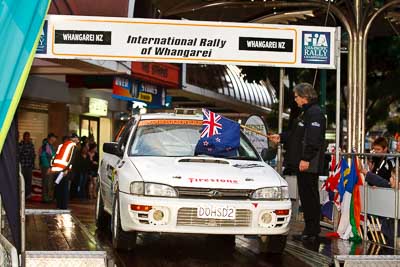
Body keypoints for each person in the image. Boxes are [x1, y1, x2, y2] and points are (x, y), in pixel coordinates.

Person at [269, 82, 326, 241]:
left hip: (308, 163)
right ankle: (310, 229)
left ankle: (313, 230)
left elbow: (314, 139)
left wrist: (306, 158)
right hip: (302, 162)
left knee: (310, 196)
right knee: (306, 196)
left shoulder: (315, 113)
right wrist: (280, 137)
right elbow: (295, 134)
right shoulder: (305, 113)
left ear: (305, 97)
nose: (295, 100)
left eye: (296, 97)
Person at [51, 133, 79, 209]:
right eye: (77, 138)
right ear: (73, 139)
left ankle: (59, 206)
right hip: (63, 169)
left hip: (56, 168)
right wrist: (66, 169)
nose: (78, 140)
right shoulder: (72, 146)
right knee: (64, 189)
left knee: (59, 188)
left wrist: (52, 166)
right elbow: (71, 159)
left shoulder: (61, 145)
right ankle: (63, 207)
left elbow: (54, 156)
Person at [39, 133, 57, 202]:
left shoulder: (50, 146)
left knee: (49, 182)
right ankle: (45, 198)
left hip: (50, 166)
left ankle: (48, 197)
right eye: (54, 138)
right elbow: (43, 157)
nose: (55, 139)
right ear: (51, 138)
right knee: (46, 182)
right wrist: (48, 167)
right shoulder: (45, 146)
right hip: (47, 167)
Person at [19, 131, 35, 199]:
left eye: (28, 136)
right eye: (26, 136)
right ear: (24, 137)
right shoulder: (20, 144)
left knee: (29, 181)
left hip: (29, 165)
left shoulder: (31, 145)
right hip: (22, 165)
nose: (27, 137)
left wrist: (32, 162)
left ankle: (27, 195)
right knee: (22, 180)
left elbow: (33, 154)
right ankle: (20, 194)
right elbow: (19, 153)